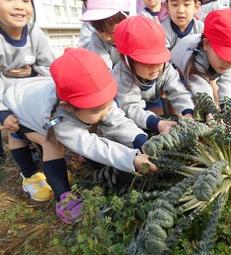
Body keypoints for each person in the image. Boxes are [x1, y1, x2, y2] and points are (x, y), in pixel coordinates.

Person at [1, 48, 157, 223]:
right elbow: (90, 143)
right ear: (67, 106)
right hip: (17, 107)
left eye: (108, 103)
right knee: (49, 143)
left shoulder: (96, 100)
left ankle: (83, 157)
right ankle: (59, 196)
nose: (106, 112)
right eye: (97, 109)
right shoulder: (57, 118)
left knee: (89, 126)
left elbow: (118, 121)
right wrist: (131, 159)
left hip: (35, 95)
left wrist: (141, 141)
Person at [113, 16, 194, 134]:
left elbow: (178, 91)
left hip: (151, 100)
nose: (156, 67)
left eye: (159, 59)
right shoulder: (121, 75)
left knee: (160, 112)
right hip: (123, 109)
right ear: (126, 59)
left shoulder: (165, 67)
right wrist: (156, 123)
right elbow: (130, 107)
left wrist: (187, 112)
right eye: (147, 62)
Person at [0, 0, 55, 161]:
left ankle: (45, 157)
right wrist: (2, 112)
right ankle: (28, 173)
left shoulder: (35, 33)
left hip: (30, 91)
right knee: (15, 130)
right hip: (6, 97)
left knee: (41, 128)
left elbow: (48, 67)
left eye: (25, 1)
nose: (19, 6)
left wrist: (32, 72)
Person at [171, 9, 231, 111]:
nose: (228, 62)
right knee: (182, 100)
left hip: (207, 67)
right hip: (177, 69)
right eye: (224, 55)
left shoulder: (228, 61)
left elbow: (227, 84)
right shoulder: (194, 56)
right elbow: (199, 87)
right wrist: (209, 110)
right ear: (206, 44)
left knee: (215, 92)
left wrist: (228, 109)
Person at [79, 0, 130, 70]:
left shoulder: (134, 34)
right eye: (100, 31)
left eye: (110, 32)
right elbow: (104, 68)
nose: (107, 38)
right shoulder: (96, 39)